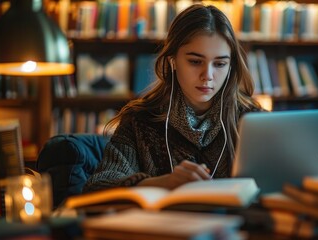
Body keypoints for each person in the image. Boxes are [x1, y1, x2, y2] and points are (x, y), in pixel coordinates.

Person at [83, 4, 263, 193]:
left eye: (219, 64)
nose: (208, 75)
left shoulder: (254, 121)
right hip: (163, 222)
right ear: (173, 61)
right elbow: (97, 186)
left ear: (230, 67)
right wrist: (160, 183)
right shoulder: (140, 121)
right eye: (195, 61)